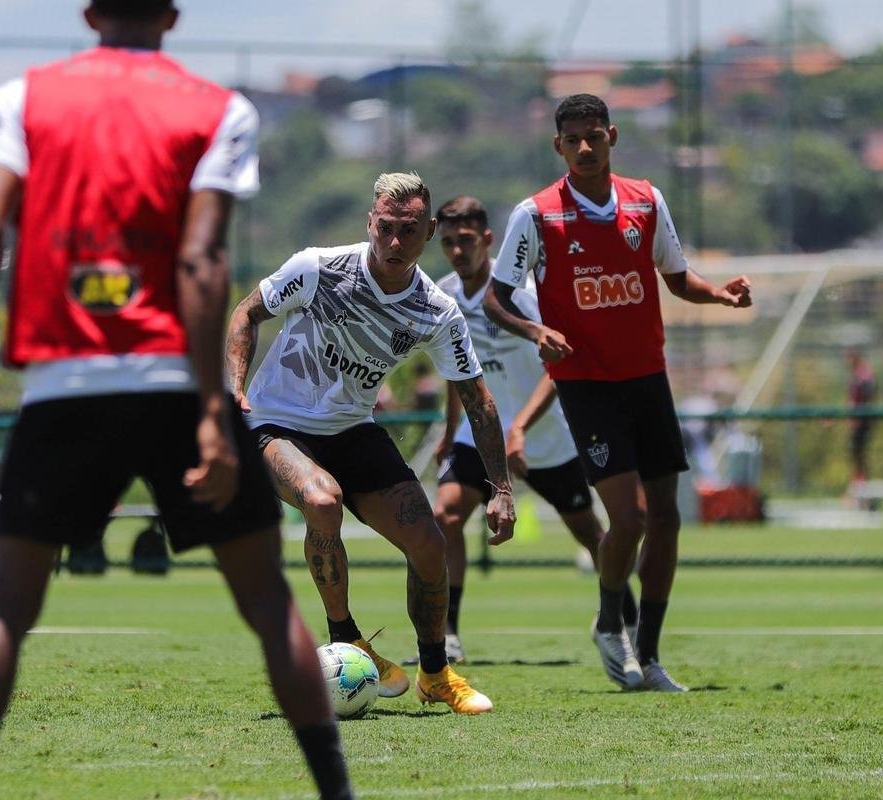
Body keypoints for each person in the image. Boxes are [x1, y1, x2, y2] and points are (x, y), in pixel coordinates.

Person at [0, 3, 351, 799]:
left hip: (63, 385)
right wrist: (209, 410)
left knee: (8, 608)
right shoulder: (219, 108)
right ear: (171, 15)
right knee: (268, 604)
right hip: (170, 382)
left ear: (90, 13)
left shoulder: (19, 99)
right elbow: (200, 261)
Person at [484, 94, 752, 692]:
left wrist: (721, 296)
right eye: (572, 138)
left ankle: (650, 657)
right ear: (558, 146)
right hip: (586, 385)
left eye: (594, 136)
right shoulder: (537, 216)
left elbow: (677, 278)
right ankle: (611, 621)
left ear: (612, 136)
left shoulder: (646, 201)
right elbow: (495, 298)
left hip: (647, 379)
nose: (584, 147)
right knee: (626, 518)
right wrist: (536, 330)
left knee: (668, 520)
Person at [225, 172, 515, 715]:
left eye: (409, 230)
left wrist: (500, 488)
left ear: (429, 231)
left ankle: (435, 674)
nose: (396, 242)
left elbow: (479, 401)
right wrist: (236, 387)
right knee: (321, 499)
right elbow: (247, 312)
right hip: (274, 422)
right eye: (386, 227)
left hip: (352, 429)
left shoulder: (436, 310)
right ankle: (348, 638)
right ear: (370, 223)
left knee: (429, 545)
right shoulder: (317, 268)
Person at [428, 195, 638, 663]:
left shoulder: (521, 297)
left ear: (488, 240)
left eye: (466, 241)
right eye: (447, 244)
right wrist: (449, 429)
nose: (458, 252)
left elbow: (558, 368)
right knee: (446, 516)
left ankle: (627, 617)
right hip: (480, 434)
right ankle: (448, 636)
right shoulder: (443, 296)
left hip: (542, 438)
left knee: (590, 535)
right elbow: (455, 369)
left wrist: (520, 427)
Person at [846, 348, 877, 499]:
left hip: (863, 421)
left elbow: (869, 394)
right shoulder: (856, 374)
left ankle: (863, 490)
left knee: (861, 455)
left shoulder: (864, 374)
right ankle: (859, 486)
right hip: (857, 421)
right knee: (857, 456)